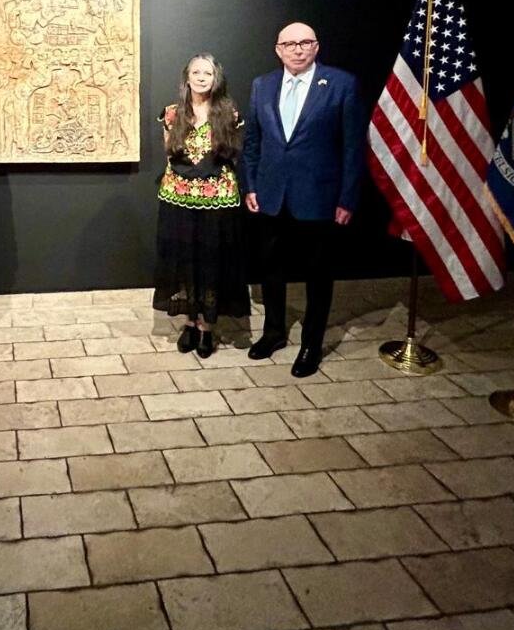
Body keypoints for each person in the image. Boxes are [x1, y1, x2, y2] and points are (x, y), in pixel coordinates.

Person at [241, 21, 364, 377]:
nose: (297, 49)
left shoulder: (341, 84)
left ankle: (311, 344)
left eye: (305, 42)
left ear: (316, 47)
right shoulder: (262, 85)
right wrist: (250, 186)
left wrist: (347, 198)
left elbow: (353, 147)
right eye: (290, 44)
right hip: (270, 195)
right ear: (278, 50)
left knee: (318, 274)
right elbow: (252, 142)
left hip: (319, 196)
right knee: (271, 268)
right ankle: (274, 333)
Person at [152, 54, 249, 358]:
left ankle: (207, 326)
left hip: (217, 199)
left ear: (216, 78)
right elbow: (169, 151)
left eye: (207, 73)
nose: (202, 77)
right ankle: (190, 323)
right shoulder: (171, 113)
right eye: (196, 72)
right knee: (184, 260)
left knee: (211, 260)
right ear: (187, 77)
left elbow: (235, 154)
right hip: (179, 198)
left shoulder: (229, 114)